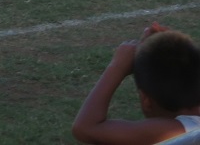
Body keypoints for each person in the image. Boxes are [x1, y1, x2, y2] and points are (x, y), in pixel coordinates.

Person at [72, 23, 200, 145]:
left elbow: (86, 128)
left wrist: (117, 67)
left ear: (146, 102)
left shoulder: (182, 132)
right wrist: (175, 47)